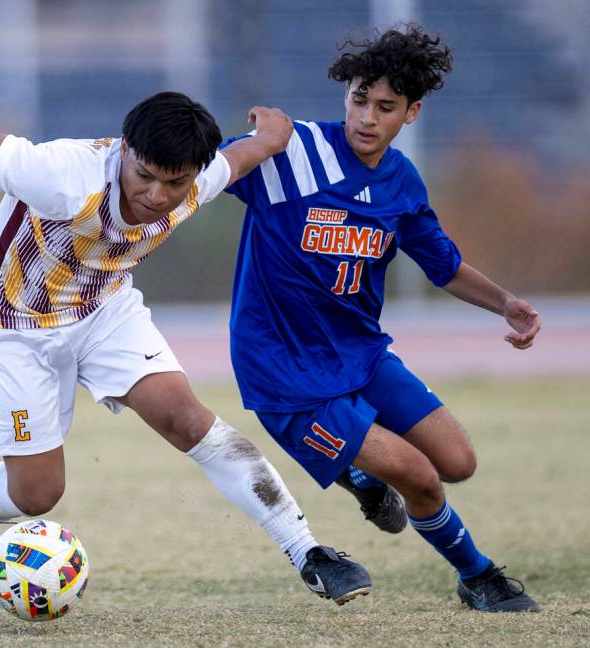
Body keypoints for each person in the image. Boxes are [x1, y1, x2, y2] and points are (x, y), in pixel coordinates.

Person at [0, 91, 371, 607]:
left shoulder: (198, 179)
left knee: (189, 421)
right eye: (144, 175)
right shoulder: (61, 175)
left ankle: (309, 553)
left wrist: (271, 136)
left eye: (176, 183)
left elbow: (244, 155)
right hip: (13, 321)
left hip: (102, 308)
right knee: (36, 495)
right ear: (124, 149)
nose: (158, 196)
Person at [223, 26, 542, 612]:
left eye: (385, 107)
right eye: (358, 99)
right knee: (421, 477)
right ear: (346, 93)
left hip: (360, 353)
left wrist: (506, 304)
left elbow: (442, 266)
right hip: (284, 371)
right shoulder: (291, 152)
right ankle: (479, 577)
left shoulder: (401, 181)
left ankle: (362, 476)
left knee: (458, 463)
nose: (367, 117)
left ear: (411, 112)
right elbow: (197, 178)